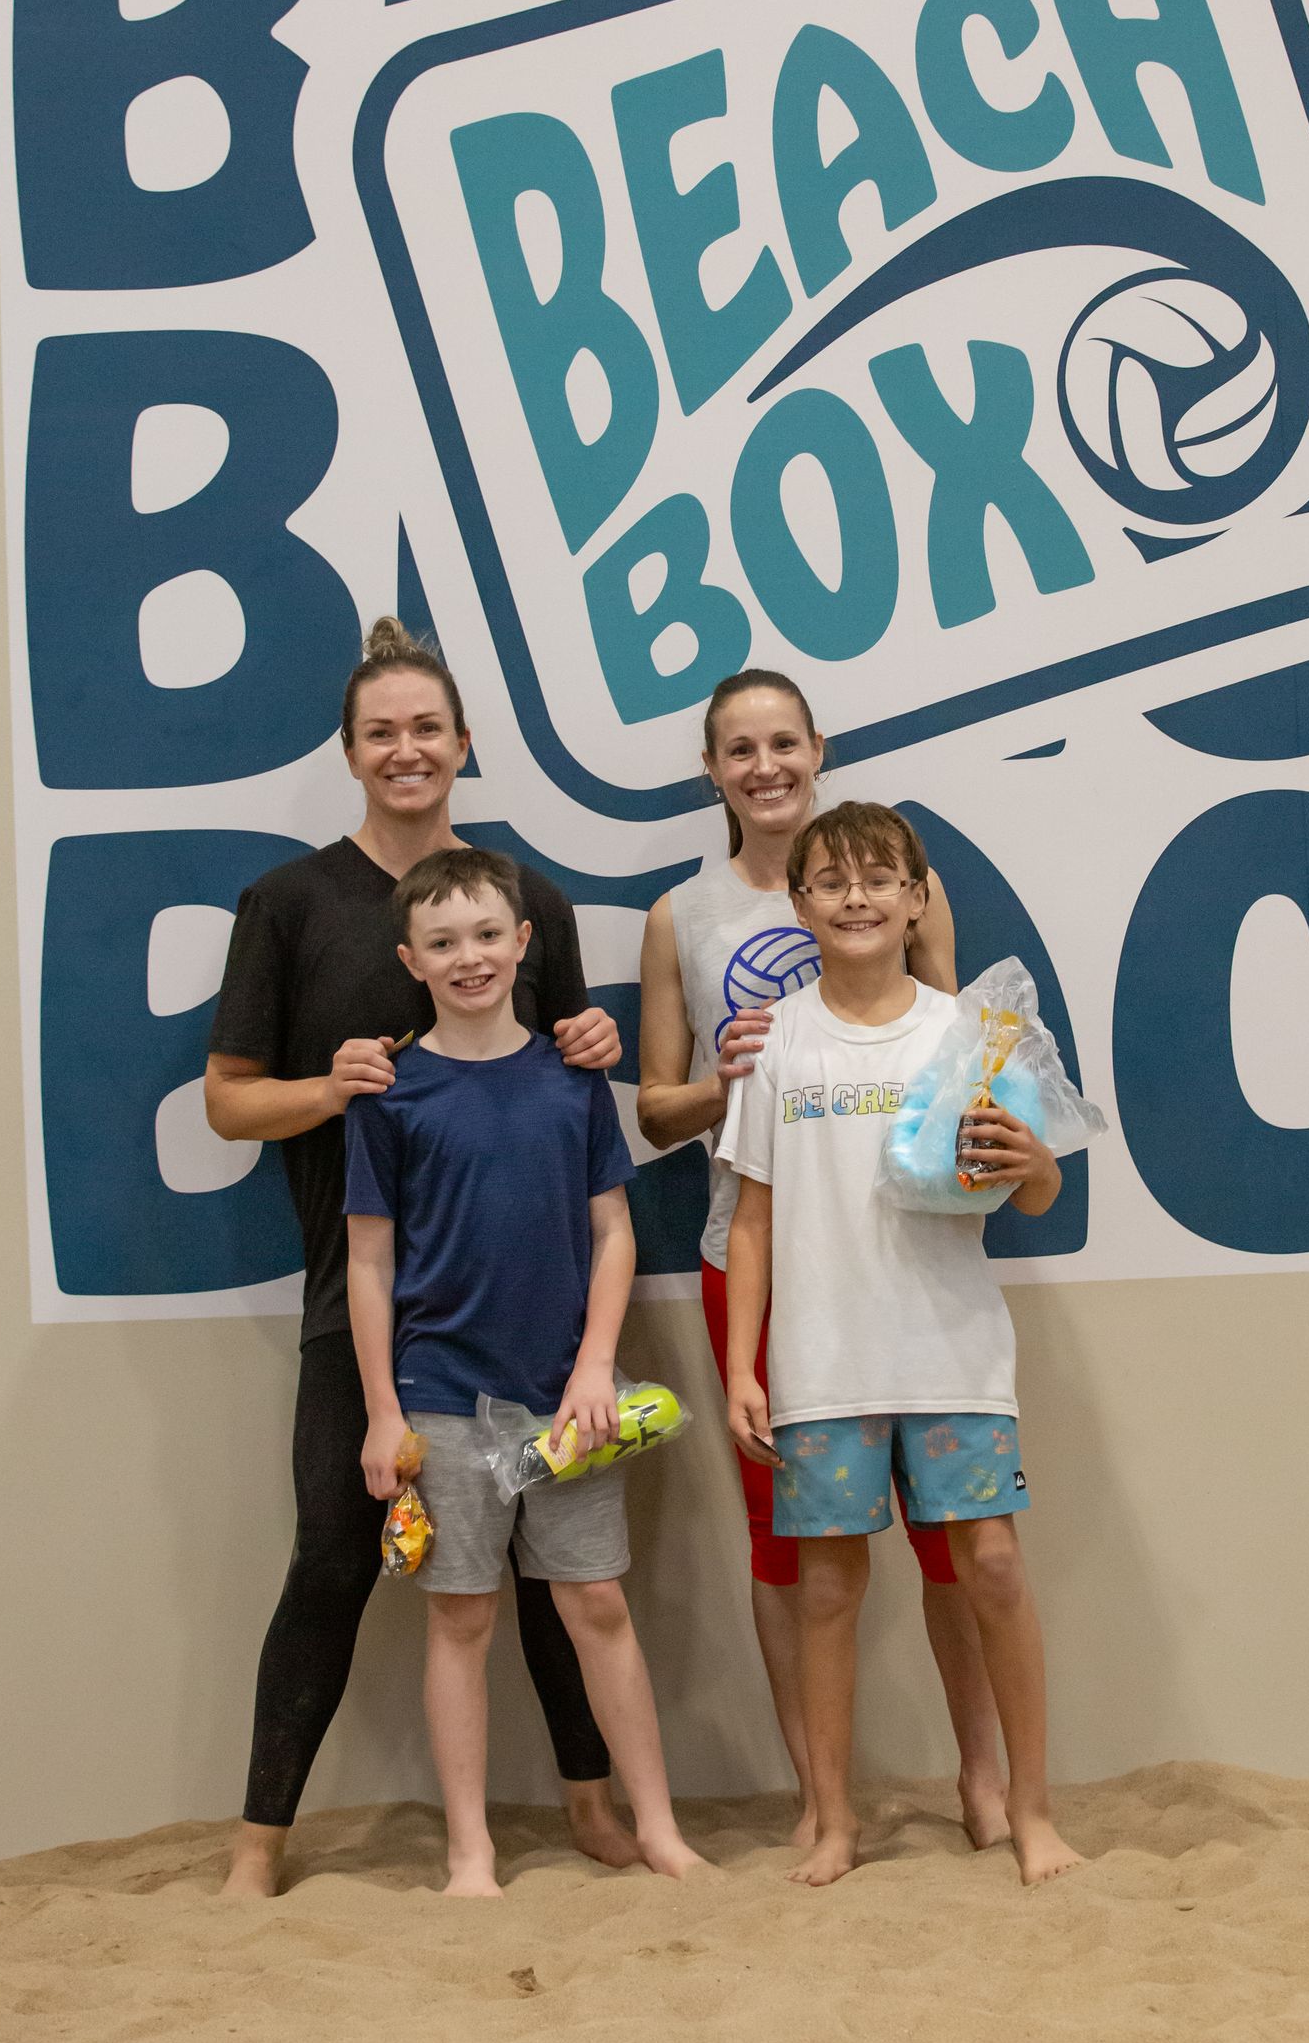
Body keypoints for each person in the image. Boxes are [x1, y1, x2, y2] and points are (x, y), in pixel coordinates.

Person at [205, 618, 635, 1898]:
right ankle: (255, 1847)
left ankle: (596, 1810)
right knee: (333, 1551)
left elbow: (572, 1077)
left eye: (426, 729)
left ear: (463, 746)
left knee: (555, 1563)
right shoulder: (289, 904)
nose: (406, 750)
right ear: (350, 752)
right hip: (371, 1304)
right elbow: (228, 1103)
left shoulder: (524, 896)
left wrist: (602, 1040)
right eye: (380, 732)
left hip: (538, 1306)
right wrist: (324, 1092)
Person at [636, 670, 1008, 1849]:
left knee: (954, 1534)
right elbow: (656, 1111)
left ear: (817, 749)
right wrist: (725, 1079)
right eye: (738, 750)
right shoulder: (679, 917)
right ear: (712, 772)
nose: (764, 767)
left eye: (783, 743)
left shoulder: (905, 883)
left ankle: (984, 1777)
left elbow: (959, 1072)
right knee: (784, 1539)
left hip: (901, 1250)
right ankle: (818, 1792)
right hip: (750, 1251)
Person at [720, 800, 1083, 1890]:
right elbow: (751, 1217)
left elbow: (1038, 1193)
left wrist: (1032, 1159)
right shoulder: (778, 1038)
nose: (857, 898)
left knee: (997, 1569)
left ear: (918, 897)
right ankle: (831, 1821)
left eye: (881, 879)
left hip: (951, 1353)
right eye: (831, 883)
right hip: (822, 1366)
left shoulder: (964, 1034)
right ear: (800, 904)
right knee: (827, 1589)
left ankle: (1030, 1810)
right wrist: (742, 1364)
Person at [348, 846, 701, 1894]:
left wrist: (597, 1366)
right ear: (412, 959)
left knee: (597, 1606)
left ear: (524, 944)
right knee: (461, 1616)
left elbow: (614, 1235)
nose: (470, 958)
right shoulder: (389, 1094)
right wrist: (380, 1413)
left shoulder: (574, 1078)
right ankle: (470, 1850)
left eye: (488, 936)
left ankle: (662, 1829)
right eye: (445, 943)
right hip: (443, 1399)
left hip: (569, 1402)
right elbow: (368, 1263)